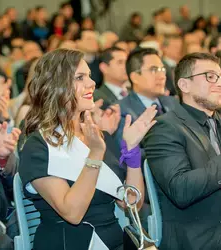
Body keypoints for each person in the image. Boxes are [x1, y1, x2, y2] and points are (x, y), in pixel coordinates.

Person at [19, 49, 157, 250]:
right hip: (72, 243)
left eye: (89, 77)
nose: (92, 83)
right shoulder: (38, 146)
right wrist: (94, 155)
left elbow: (131, 203)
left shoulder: (97, 135)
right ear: (56, 86)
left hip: (116, 242)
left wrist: (132, 151)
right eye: (80, 77)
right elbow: (72, 213)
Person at [144, 52, 221, 249]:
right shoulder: (165, 128)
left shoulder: (218, 121)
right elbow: (181, 189)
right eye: (210, 77)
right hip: (199, 240)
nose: (219, 83)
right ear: (184, 85)